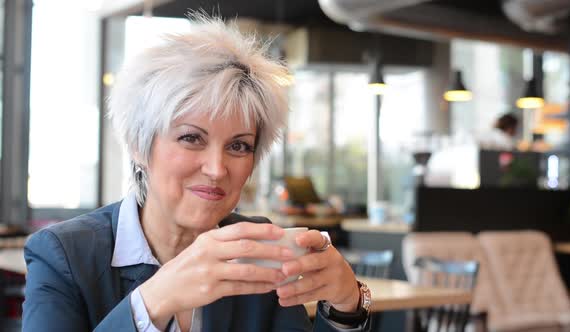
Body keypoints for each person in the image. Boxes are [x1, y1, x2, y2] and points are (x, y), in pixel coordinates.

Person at [22, 14, 370, 332]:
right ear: (139, 145)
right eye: (191, 138)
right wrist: (152, 302)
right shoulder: (64, 255)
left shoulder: (256, 248)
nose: (217, 169)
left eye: (238, 146)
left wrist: (346, 304)